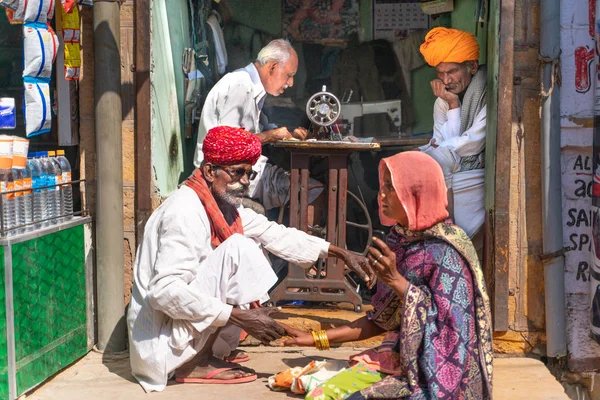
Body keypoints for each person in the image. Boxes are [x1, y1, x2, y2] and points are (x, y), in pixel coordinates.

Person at [128, 126, 374, 392]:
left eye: (249, 173)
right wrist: (239, 317)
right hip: (160, 343)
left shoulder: (223, 207)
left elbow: (273, 233)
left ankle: (213, 349)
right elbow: (164, 292)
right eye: (238, 172)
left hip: (179, 330)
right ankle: (194, 361)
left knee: (249, 241)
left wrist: (338, 252)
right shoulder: (184, 211)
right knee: (238, 247)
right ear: (210, 171)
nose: (245, 181)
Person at [282, 151, 493, 399]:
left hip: (439, 378)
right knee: (318, 391)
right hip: (399, 359)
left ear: (415, 193)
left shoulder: (447, 252)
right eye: (383, 187)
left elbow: (451, 333)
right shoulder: (401, 241)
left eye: (391, 188)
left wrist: (396, 281)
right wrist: (313, 338)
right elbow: (380, 320)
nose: (381, 195)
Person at [194, 38, 321, 213]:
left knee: (308, 185)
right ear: (273, 67)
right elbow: (228, 147)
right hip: (226, 176)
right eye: (289, 75)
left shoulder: (252, 89)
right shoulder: (240, 86)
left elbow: (261, 129)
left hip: (243, 172)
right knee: (315, 191)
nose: (290, 83)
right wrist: (272, 136)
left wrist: (290, 134)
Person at [418, 27, 487, 238]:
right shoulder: (444, 99)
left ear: (472, 66)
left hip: (474, 172)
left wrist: (439, 147)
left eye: (452, 72)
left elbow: (471, 145)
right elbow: (445, 143)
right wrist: (453, 104)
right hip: (453, 171)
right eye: (440, 73)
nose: (446, 81)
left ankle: (447, 231)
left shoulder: (487, 92)